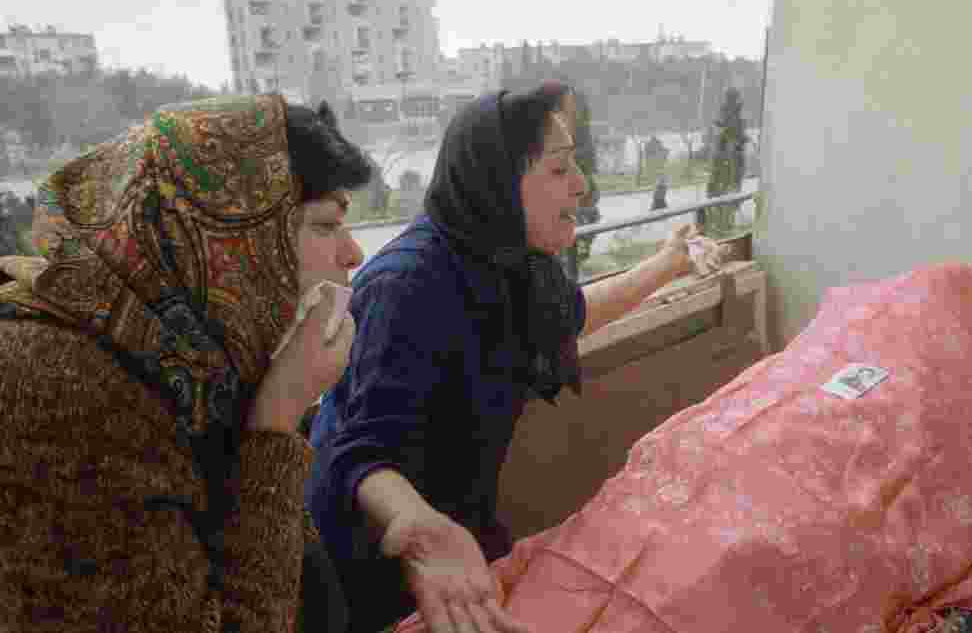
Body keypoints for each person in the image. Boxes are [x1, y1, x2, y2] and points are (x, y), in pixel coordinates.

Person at [306, 81, 726, 633]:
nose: (582, 185)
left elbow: (571, 315)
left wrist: (669, 263)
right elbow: (360, 454)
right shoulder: (407, 285)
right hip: (369, 555)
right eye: (558, 170)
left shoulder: (512, 264)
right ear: (497, 183)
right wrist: (422, 533)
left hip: (454, 527)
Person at [0, 94, 372, 632]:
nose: (353, 253)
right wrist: (276, 421)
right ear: (230, 238)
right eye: (324, 225)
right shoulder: (66, 390)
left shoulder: (189, 365)